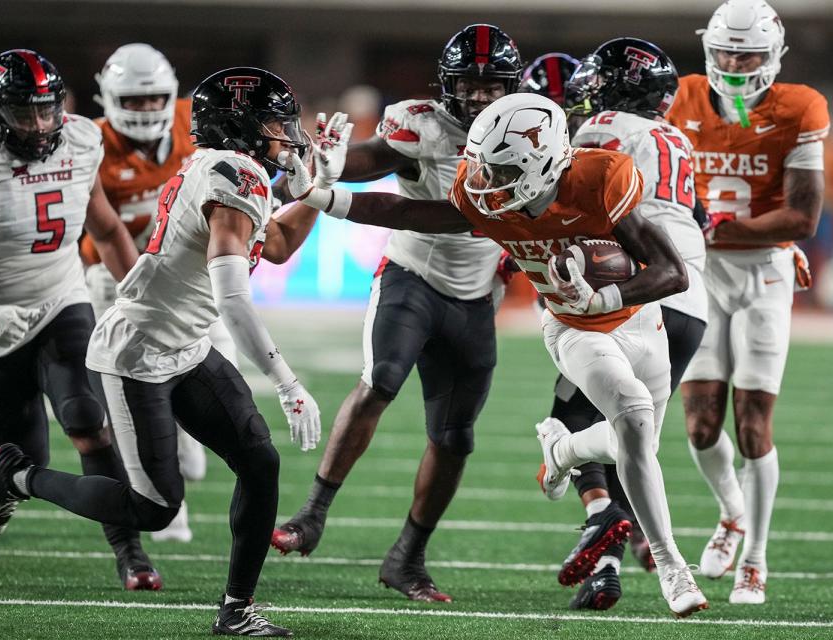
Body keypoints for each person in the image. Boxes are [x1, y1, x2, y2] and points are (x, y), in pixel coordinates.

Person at [283, 91, 709, 618]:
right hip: (573, 327)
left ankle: (564, 452)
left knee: (636, 446)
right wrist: (324, 197)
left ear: (543, 164)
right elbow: (414, 212)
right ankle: (673, 566)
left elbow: (672, 272)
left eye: (499, 170)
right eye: (482, 167)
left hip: (638, 319)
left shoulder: (601, 178)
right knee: (636, 421)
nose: (483, 181)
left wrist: (605, 295)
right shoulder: (482, 188)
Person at [0, 67, 348, 636]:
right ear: (241, 126)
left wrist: (320, 190)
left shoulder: (229, 168)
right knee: (155, 508)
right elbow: (232, 297)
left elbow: (274, 245)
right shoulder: (234, 174)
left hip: (186, 344)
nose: (286, 134)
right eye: (275, 123)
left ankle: (237, 610)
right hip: (140, 353)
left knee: (259, 461)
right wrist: (286, 381)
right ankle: (20, 476)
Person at [271, 23, 523, 603]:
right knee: (379, 381)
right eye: (470, 84)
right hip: (412, 277)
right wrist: (330, 164)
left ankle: (407, 557)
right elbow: (375, 159)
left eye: (493, 86)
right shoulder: (423, 121)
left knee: (455, 436)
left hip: (476, 294)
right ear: (447, 84)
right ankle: (312, 513)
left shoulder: (530, 126)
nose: (482, 96)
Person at [0, 49, 161, 590]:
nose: (39, 126)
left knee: (87, 420)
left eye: (47, 109)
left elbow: (104, 229)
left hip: (60, 299)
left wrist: (140, 298)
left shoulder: (81, 141)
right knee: (20, 459)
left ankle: (130, 551)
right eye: (22, 113)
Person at [537, 37, 708, 610]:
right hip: (692, 297)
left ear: (615, 90)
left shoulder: (605, 126)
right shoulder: (678, 138)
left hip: (632, 288)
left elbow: (563, 182)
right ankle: (611, 562)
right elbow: (699, 221)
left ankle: (562, 458)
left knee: (580, 415)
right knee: (639, 440)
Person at [667, 0, 827, 605]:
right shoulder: (677, 98)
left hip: (763, 272)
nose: (735, 63)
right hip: (700, 274)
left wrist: (723, 228)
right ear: (708, 48)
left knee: (753, 426)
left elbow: (804, 217)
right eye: (727, 50)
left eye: (749, 53)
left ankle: (754, 560)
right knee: (702, 424)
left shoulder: (800, 107)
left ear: (774, 57)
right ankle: (732, 513)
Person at [84, 42, 220, 543]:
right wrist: (135, 296)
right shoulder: (91, 146)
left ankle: (188, 436)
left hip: (185, 272)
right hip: (114, 272)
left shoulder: (196, 122)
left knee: (208, 359)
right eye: (133, 100)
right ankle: (167, 503)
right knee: (139, 383)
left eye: (154, 98)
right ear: (108, 97)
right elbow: (104, 235)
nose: (145, 109)